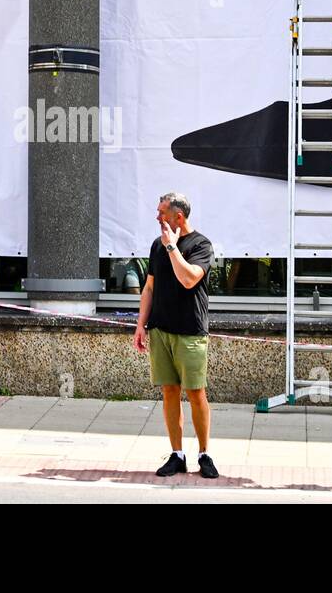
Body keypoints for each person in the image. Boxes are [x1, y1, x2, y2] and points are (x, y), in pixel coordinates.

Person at [132, 192, 219, 479]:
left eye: (162, 212)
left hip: (190, 332)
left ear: (177, 216)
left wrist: (172, 248)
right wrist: (140, 324)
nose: (158, 217)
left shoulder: (200, 245)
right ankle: (177, 454)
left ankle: (204, 454)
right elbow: (149, 288)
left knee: (196, 393)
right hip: (161, 330)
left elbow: (189, 278)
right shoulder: (158, 245)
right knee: (169, 391)